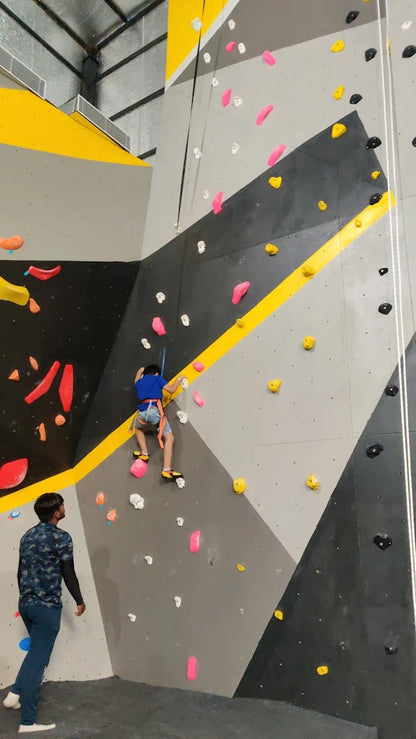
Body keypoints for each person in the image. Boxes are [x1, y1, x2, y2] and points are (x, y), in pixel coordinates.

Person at [3, 492, 86, 733]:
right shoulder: (62, 538)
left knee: (36, 656)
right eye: (62, 504)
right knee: (38, 661)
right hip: (47, 608)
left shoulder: (27, 536)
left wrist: (26, 598)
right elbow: (68, 573)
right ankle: (27, 722)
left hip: (26, 604)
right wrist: (79, 600)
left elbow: (21, 573)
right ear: (56, 511)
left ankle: (15, 693)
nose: (63, 507)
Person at [133, 364, 184, 480]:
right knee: (169, 438)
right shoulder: (157, 378)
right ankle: (166, 469)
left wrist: (140, 370)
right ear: (156, 373)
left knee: (138, 428)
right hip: (154, 412)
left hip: (142, 413)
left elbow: (136, 379)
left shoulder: (139, 382)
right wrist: (178, 379)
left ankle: (144, 453)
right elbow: (171, 390)